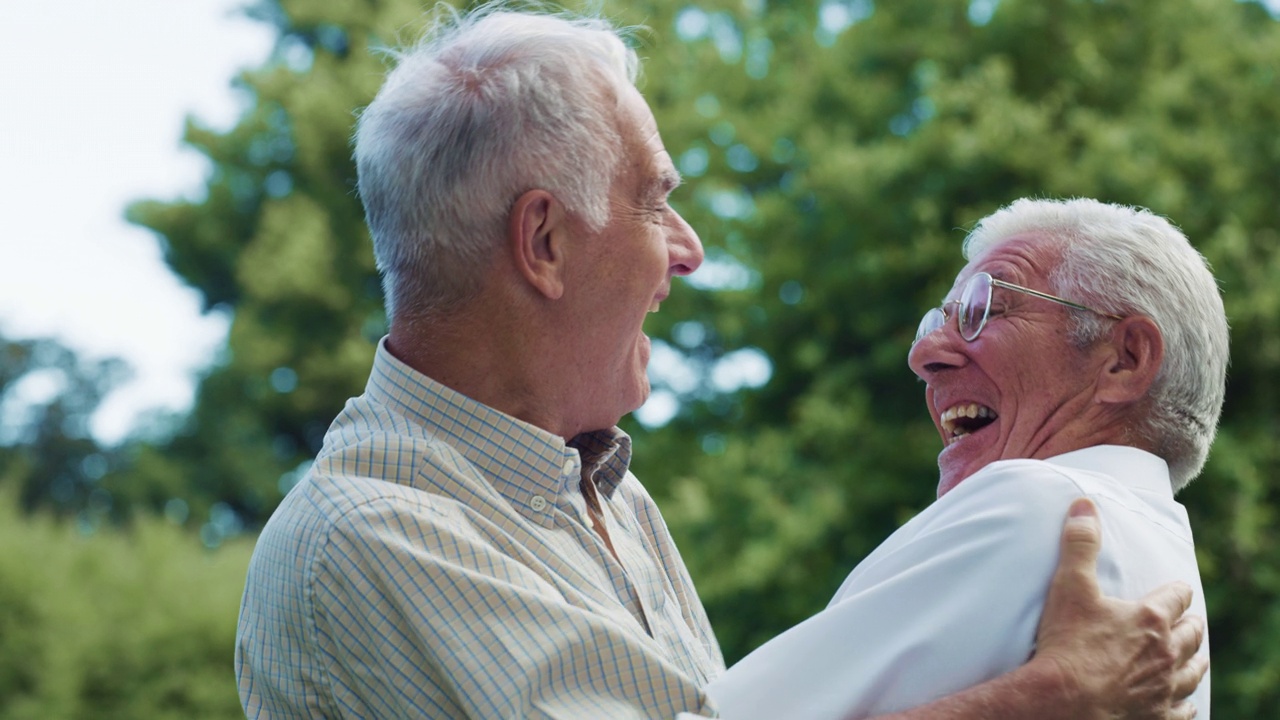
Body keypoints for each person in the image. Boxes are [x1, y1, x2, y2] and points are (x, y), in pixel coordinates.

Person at [234, 5, 1206, 718]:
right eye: (655, 201)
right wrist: (1046, 697)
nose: (687, 248)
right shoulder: (375, 536)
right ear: (544, 244)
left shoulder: (607, 493)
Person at [706, 197, 1222, 719]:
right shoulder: (1165, 568)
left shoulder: (1037, 504)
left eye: (984, 309)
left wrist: (1052, 694)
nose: (923, 354)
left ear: (1125, 360)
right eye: (936, 320)